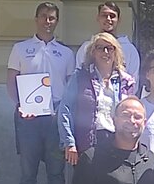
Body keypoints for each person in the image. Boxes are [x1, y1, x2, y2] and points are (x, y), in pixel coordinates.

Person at [7, 2, 74, 184]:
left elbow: (70, 87)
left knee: (56, 171)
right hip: (28, 118)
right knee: (28, 171)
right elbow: (11, 81)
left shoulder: (66, 53)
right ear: (36, 19)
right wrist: (20, 106)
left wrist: (64, 112)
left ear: (57, 21)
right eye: (44, 16)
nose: (48, 21)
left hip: (55, 118)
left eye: (52, 17)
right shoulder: (20, 48)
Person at [58, 33, 136, 168]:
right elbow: (65, 109)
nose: (105, 52)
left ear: (116, 52)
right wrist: (69, 143)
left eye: (110, 48)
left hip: (116, 143)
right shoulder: (80, 76)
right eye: (100, 48)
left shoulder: (126, 82)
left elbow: (131, 115)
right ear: (93, 52)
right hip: (86, 143)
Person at [76, 1, 140, 78]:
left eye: (112, 16)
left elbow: (133, 81)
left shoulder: (130, 50)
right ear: (98, 18)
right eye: (104, 15)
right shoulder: (86, 48)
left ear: (119, 19)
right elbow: (78, 77)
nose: (108, 19)